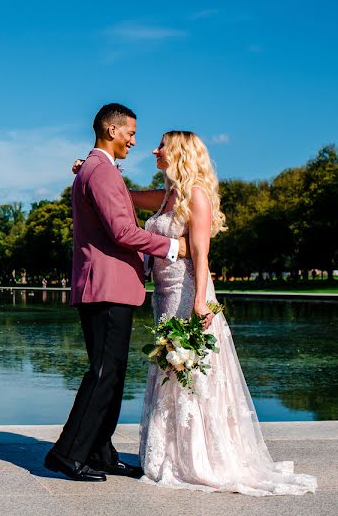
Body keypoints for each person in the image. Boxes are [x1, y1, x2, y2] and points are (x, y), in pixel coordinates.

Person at [130, 131, 317, 495]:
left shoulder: (196, 195)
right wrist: (90, 171)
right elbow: (125, 196)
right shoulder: (166, 195)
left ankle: (201, 457)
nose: (154, 150)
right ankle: (168, 454)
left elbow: (201, 254)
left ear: (180, 152)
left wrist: (201, 302)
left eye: (162, 146)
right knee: (170, 368)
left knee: (193, 371)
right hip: (164, 298)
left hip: (188, 293)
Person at [44, 104, 187, 482]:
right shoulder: (101, 172)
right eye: (131, 133)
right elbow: (122, 232)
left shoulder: (97, 170)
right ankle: (67, 453)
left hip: (109, 285)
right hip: (106, 287)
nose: (135, 141)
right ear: (111, 130)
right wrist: (173, 247)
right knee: (104, 374)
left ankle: (100, 452)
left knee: (112, 374)